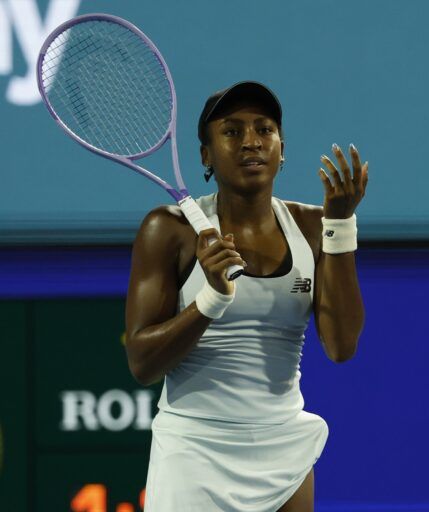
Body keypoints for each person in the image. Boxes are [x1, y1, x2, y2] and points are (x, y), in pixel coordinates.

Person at [124, 81, 368, 511]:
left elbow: (341, 346)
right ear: (206, 155)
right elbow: (143, 364)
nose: (251, 141)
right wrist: (212, 300)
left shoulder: (314, 227)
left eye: (264, 129)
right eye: (232, 131)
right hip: (193, 449)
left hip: (283, 445)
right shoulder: (169, 229)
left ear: (281, 148)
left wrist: (340, 224)